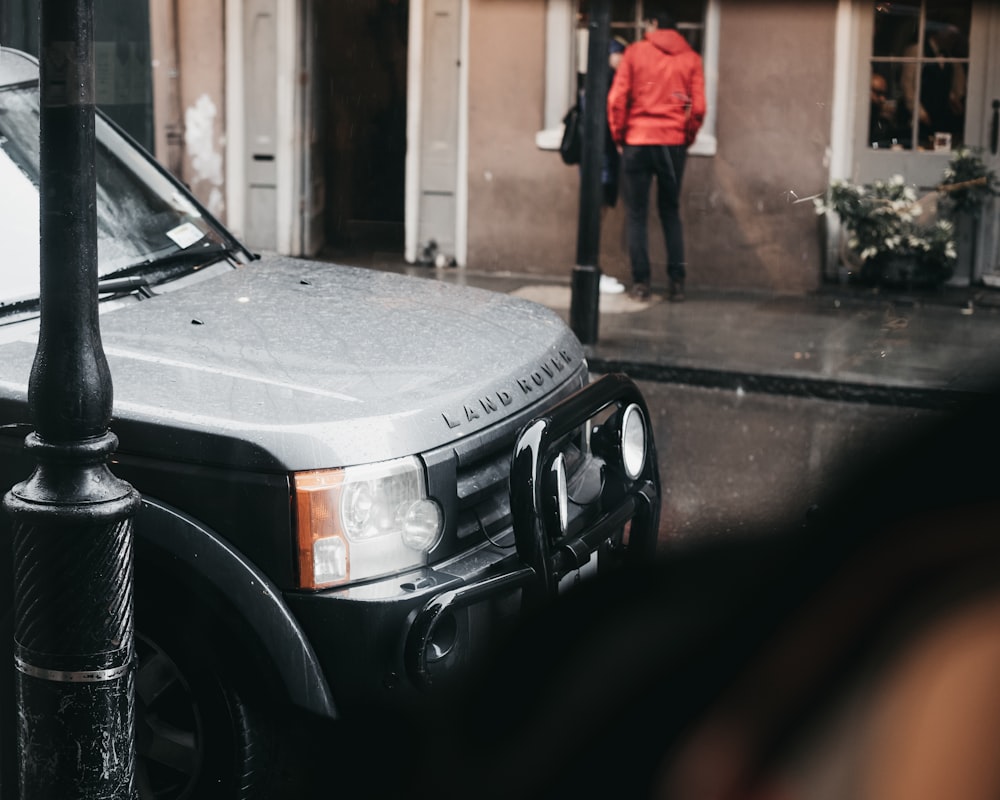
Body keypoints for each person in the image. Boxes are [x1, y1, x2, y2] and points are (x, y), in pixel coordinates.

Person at [607, 4, 705, 302]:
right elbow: (698, 108)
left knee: (636, 214)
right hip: (671, 144)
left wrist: (620, 135)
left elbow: (616, 100)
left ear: (652, 24)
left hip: (638, 140)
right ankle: (677, 283)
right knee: (670, 212)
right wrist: (683, 137)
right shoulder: (691, 59)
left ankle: (641, 284)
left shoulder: (635, 52)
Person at [899, 24, 966, 150]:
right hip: (920, 116)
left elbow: (951, 82)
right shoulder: (916, 50)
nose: (953, 39)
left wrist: (953, 98)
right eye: (950, 35)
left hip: (942, 115)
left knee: (941, 151)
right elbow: (907, 84)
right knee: (919, 149)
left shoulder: (949, 56)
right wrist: (919, 112)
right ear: (938, 32)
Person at [869, 72, 897, 148]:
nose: (883, 99)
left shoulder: (883, 121)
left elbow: (893, 141)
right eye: (878, 93)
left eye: (884, 94)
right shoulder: (859, 121)